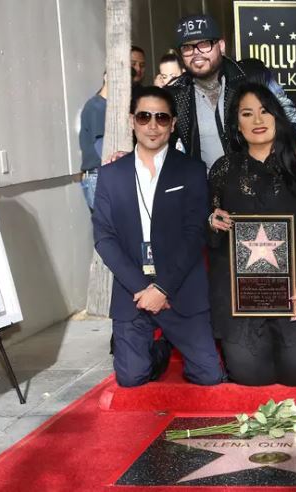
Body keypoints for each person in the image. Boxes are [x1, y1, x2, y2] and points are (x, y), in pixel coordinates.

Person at [92, 86, 223, 387]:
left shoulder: (192, 171)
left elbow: (194, 234)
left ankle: (173, 339)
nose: (153, 125)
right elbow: (104, 237)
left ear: (173, 124)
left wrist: (162, 288)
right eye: (144, 116)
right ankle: (160, 348)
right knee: (131, 378)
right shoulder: (111, 175)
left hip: (180, 289)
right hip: (133, 293)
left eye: (162, 118)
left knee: (209, 376)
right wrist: (143, 288)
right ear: (131, 120)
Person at [207, 83, 296, 386]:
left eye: (265, 111)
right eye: (247, 114)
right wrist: (212, 221)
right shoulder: (223, 169)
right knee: (250, 377)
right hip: (241, 298)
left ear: (278, 115)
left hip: (293, 291)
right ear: (236, 123)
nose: (258, 121)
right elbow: (209, 229)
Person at [167, 14, 296, 172]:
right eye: (187, 47)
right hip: (207, 190)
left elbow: (286, 108)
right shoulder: (175, 94)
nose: (196, 53)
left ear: (221, 45)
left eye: (204, 44)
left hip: (260, 180)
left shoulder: (252, 74)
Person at [79, 73, 107, 211]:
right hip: (98, 174)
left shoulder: (102, 105)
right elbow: (100, 145)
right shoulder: (97, 106)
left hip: (98, 174)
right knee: (107, 226)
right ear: (106, 77)